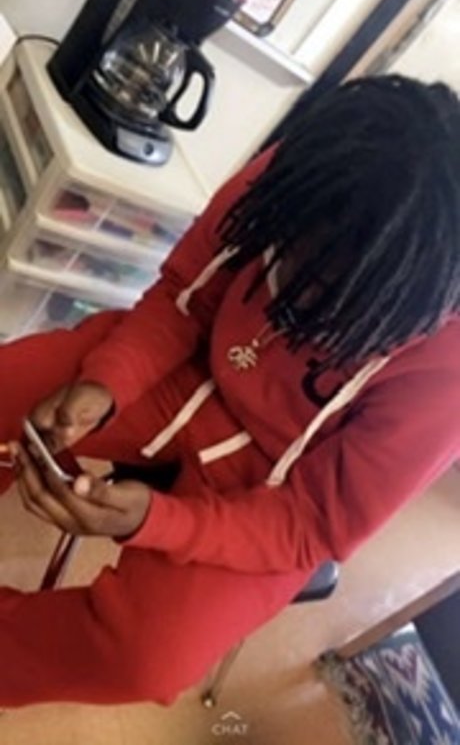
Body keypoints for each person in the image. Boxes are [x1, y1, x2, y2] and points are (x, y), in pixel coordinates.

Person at [0, 74, 459, 707]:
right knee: (11, 391)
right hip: (186, 367)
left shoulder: (448, 366)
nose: (285, 285)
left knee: (145, 658)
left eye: (326, 291)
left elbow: (314, 521)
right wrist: (107, 384)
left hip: (276, 493)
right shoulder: (307, 180)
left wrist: (159, 520)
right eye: (287, 253)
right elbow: (183, 297)